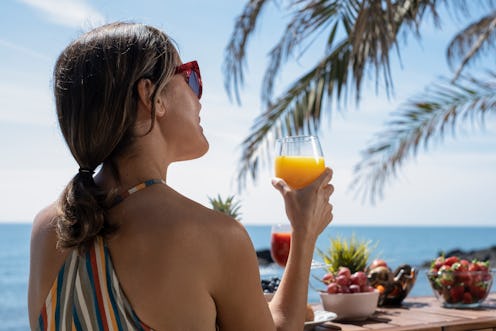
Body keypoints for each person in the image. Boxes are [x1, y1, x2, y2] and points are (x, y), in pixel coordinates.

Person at [28, 22, 334, 331]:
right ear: (151, 96)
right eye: (190, 77)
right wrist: (304, 234)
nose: (198, 95)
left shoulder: (48, 230)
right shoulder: (215, 236)